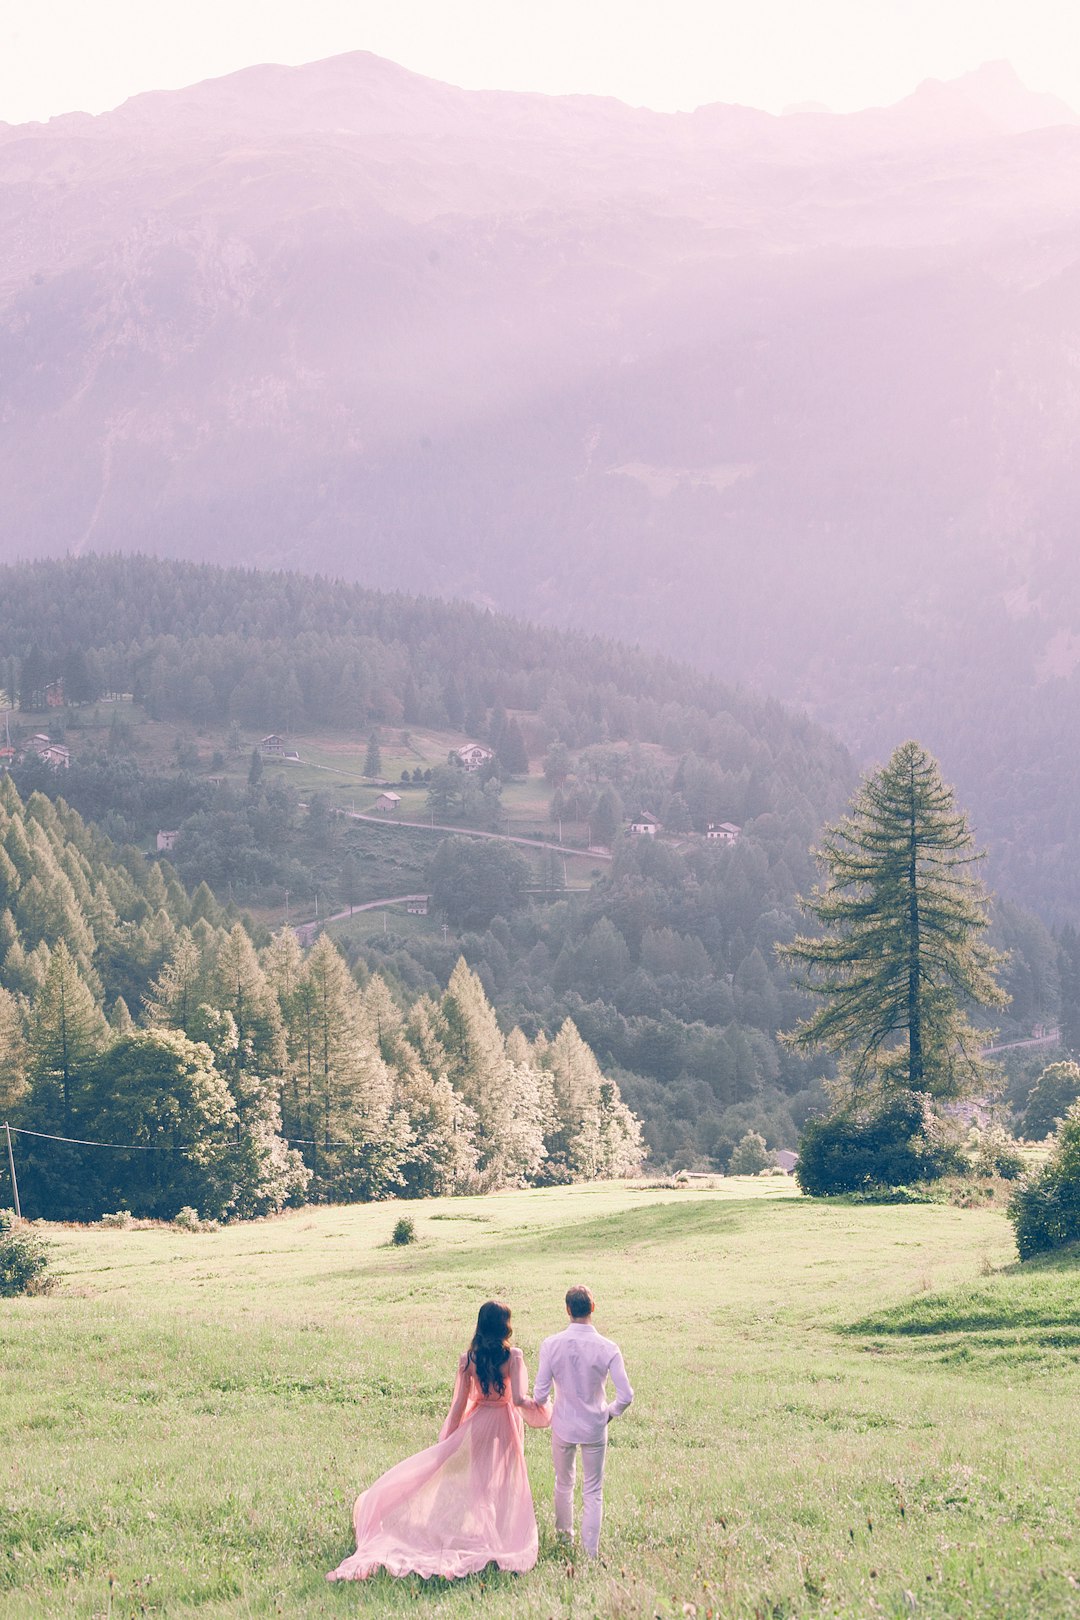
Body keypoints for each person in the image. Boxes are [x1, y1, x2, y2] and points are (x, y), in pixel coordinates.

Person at [327, 1300, 551, 1582]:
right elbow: (518, 1400)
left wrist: (447, 1440)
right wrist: (545, 1408)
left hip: (477, 1423)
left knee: (476, 1481)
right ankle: (498, 1537)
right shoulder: (513, 1357)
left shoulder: (470, 1358)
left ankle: (480, 1533)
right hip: (504, 1425)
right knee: (502, 1482)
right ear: (505, 1326)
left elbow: (459, 1404)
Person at [533, 1284, 634, 1560]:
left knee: (563, 1483)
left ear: (567, 1310)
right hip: (594, 1425)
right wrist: (609, 1412)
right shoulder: (608, 1348)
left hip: (563, 1424)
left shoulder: (551, 1344)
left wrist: (555, 1406)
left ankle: (564, 1539)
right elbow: (626, 1395)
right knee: (593, 1489)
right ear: (593, 1307)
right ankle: (590, 1552)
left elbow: (540, 1394)